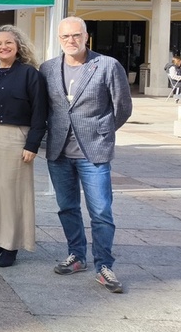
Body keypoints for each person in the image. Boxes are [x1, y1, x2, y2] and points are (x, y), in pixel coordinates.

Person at [42, 16, 132, 293]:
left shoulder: (106, 65)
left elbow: (123, 107)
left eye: (76, 35)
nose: (71, 40)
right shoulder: (47, 69)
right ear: (59, 39)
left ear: (86, 36)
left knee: (101, 211)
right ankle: (76, 255)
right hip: (58, 151)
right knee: (67, 207)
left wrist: (103, 131)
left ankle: (104, 264)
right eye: (65, 36)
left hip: (93, 151)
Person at [0, 25, 48, 267]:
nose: (3, 47)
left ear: (19, 47)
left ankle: (12, 244)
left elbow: (40, 112)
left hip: (15, 135)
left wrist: (32, 144)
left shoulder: (30, 74)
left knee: (12, 191)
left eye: (8, 43)